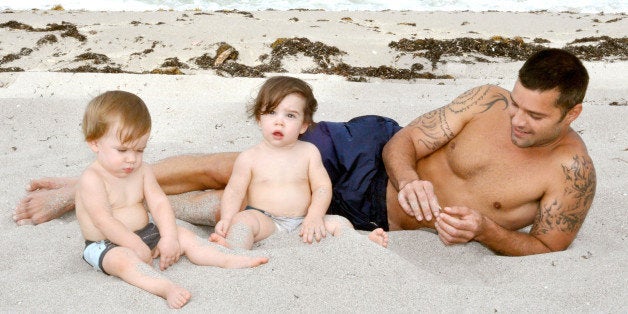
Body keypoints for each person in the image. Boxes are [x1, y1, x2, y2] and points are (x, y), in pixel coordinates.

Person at [13, 49, 595, 256]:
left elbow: (548, 242)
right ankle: (80, 185)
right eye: (517, 103)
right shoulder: (486, 101)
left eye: (534, 115)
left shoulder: (571, 174)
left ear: (571, 114)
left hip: (369, 216)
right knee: (237, 165)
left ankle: (107, 188)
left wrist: (485, 233)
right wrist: (411, 175)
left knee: (236, 203)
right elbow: (406, 140)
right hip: (369, 153)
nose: (516, 120)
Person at [75, 91, 267, 309]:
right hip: (106, 244)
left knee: (184, 235)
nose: (132, 158)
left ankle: (228, 258)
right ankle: (165, 288)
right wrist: (134, 244)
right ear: (94, 143)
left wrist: (168, 237)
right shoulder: (92, 179)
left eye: (140, 150)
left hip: (145, 232)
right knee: (123, 262)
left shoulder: (142, 170)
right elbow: (103, 220)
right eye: (122, 150)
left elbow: (159, 203)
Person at [208, 76, 388, 249]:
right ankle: (233, 247)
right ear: (259, 119)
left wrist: (315, 216)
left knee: (340, 222)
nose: (279, 122)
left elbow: (322, 187)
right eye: (271, 112)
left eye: (290, 116)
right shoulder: (249, 157)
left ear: (303, 125)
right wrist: (227, 218)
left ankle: (361, 245)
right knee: (243, 222)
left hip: (304, 221)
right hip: (266, 220)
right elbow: (234, 191)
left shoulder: (309, 152)